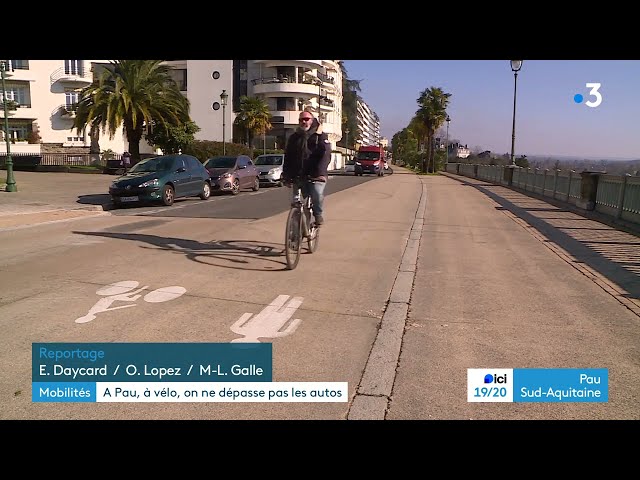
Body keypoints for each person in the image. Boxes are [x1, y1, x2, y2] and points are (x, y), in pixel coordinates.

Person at [282, 110, 331, 226]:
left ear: (312, 120)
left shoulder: (320, 136)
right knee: (297, 204)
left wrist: (320, 173)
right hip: (300, 175)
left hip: (316, 175)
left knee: (317, 194)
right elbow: (288, 157)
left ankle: (318, 214)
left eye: (306, 119)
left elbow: (325, 155)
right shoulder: (294, 137)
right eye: (301, 120)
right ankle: (297, 233)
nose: (303, 122)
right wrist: (286, 175)